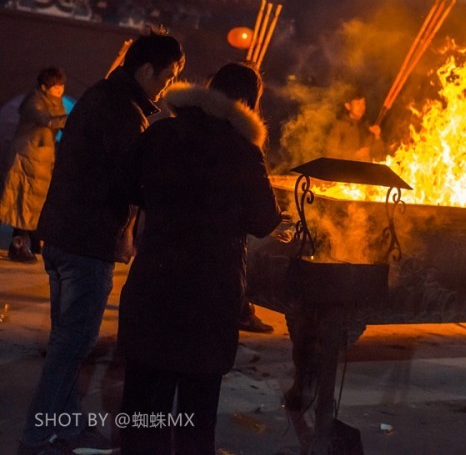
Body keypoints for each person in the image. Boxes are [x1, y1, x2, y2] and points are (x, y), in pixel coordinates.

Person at [18, 34, 184, 455]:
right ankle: (37, 436)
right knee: (72, 345)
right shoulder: (123, 110)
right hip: (85, 242)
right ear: (146, 70)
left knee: (69, 342)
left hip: (62, 235)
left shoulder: (103, 96)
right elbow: (133, 178)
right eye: (168, 77)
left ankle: (67, 425)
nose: (167, 86)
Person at [116, 62, 282, 455]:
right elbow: (263, 220)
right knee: (197, 401)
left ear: (209, 87)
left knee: (144, 396)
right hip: (210, 291)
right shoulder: (242, 149)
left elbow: (128, 186)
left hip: (156, 279)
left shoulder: (162, 132)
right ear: (249, 104)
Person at [1, 67, 67, 263]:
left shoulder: (56, 103)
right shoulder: (34, 100)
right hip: (25, 160)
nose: (60, 90)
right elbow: (46, 121)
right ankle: (18, 246)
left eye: (62, 86)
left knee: (37, 205)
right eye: (56, 87)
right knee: (22, 204)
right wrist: (76, 115)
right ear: (44, 87)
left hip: (42, 161)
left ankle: (35, 244)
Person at [324, 90, 385, 162]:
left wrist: (377, 137)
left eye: (363, 104)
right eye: (358, 104)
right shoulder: (339, 126)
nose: (361, 107)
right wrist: (355, 155)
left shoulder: (367, 127)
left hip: (365, 171)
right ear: (348, 106)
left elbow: (379, 156)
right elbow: (329, 153)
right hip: (344, 171)